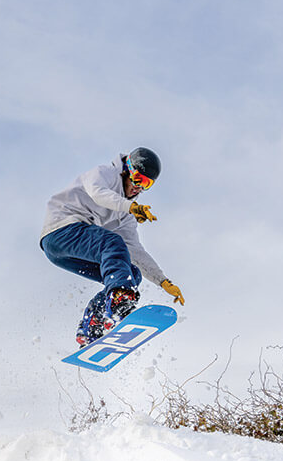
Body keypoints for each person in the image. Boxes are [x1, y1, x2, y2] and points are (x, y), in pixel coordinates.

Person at [40, 147, 185, 346]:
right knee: (112, 244)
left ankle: (93, 325)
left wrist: (162, 281)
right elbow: (99, 194)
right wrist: (131, 207)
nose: (138, 187)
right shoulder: (105, 174)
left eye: (146, 184)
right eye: (137, 178)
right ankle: (119, 298)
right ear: (126, 169)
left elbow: (134, 250)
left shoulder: (126, 215)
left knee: (131, 273)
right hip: (61, 229)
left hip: (64, 254)